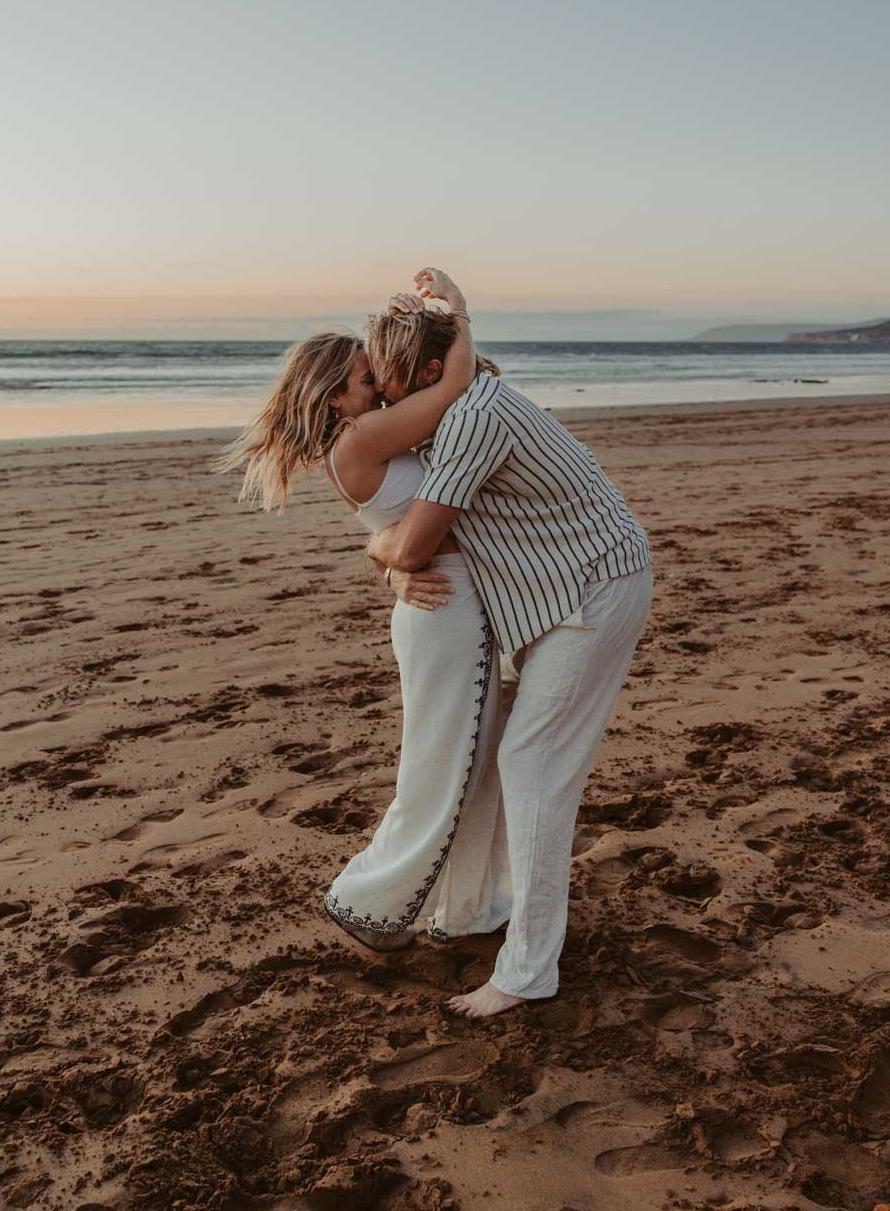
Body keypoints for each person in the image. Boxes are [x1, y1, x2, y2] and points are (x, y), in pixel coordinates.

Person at [365, 306, 653, 1017]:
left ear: (433, 372)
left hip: (591, 591)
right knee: (500, 755)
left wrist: (383, 553)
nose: (381, 396)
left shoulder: (473, 420)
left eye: (388, 379)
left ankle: (527, 970)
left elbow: (411, 545)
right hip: (548, 599)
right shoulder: (456, 407)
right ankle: (482, 906)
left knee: (532, 767)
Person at [214, 269, 509, 952]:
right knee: (444, 767)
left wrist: (385, 557)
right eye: (364, 377)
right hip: (444, 606)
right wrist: (459, 312)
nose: (377, 384)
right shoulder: (361, 438)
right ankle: (367, 902)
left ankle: (467, 906)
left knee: (463, 762)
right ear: (333, 397)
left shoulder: (367, 437)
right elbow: (454, 388)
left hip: (442, 601)